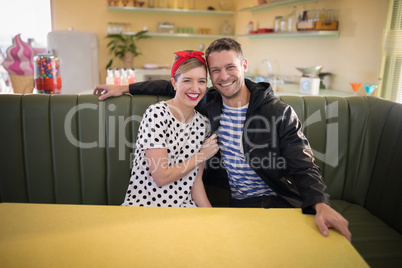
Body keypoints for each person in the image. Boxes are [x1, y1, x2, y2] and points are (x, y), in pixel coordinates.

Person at [94, 38, 351, 242]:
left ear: (244, 66)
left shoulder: (278, 112)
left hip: (278, 200)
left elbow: (303, 163)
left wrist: (320, 203)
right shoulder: (209, 102)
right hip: (238, 202)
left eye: (230, 67)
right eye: (215, 70)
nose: (223, 76)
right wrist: (125, 87)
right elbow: (176, 84)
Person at [119, 50, 219, 207]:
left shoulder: (203, 125)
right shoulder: (157, 114)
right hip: (145, 207)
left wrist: (213, 216)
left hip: (185, 211)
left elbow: (195, 183)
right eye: (187, 80)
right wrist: (201, 156)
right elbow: (161, 177)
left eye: (201, 81)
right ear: (174, 83)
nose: (195, 88)